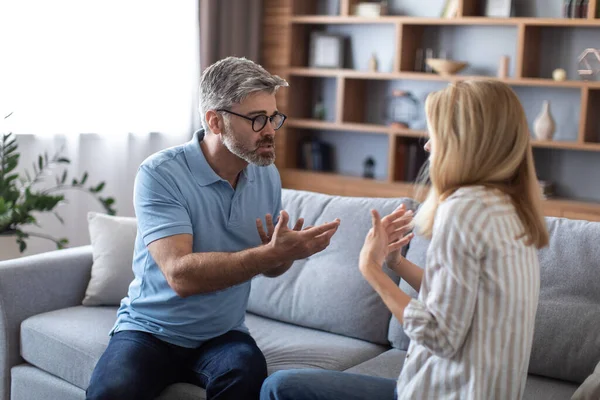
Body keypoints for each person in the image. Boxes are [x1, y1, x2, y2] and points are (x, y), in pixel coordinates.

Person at [260, 79, 550, 400]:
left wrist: (370, 268)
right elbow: (465, 300)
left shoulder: (463, 209)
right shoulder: (508, 208)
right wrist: (395, 263)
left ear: (464, 140)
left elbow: (439, 335)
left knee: (279, 388)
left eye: (435, 133)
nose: (427, 145)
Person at [86, 56, 341, 400]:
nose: (270, 130)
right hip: (150, 330)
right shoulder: (160, 174)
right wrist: (268, 254)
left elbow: (271, 267)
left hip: (223, 334)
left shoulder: (266, 173)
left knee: (248, 376)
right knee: (110, 393)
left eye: (273, 118)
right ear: (215, 121)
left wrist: (283, 254)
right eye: (256, 119)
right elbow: (181, 276)